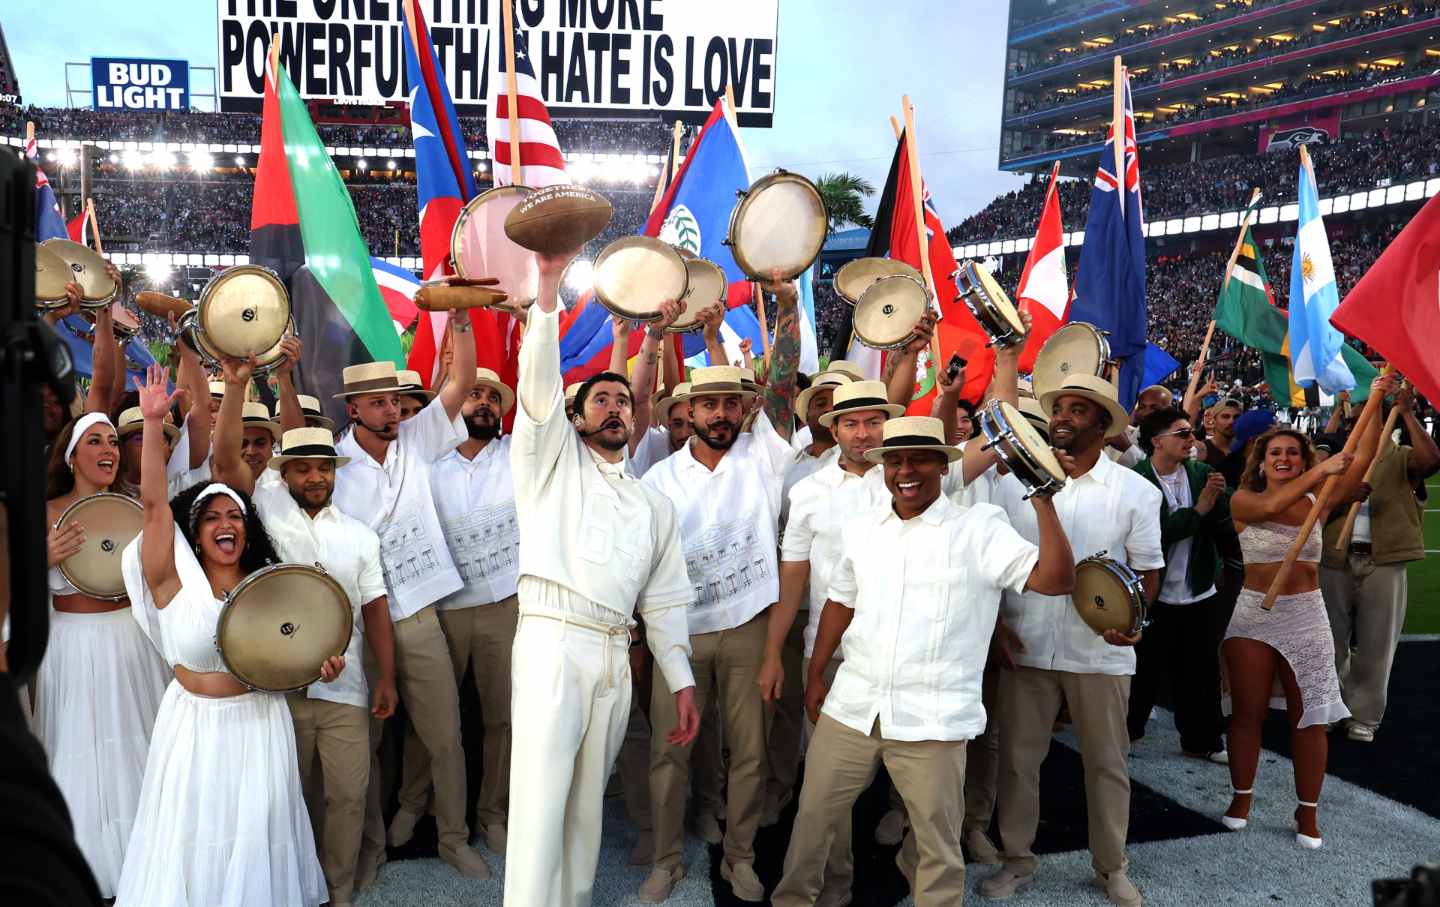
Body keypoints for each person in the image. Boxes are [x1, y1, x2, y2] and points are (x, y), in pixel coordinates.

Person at [771, 415, 1075, 906]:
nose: (905, 470)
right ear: (884, 468)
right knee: (812, 823)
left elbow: (1056, 580)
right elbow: (841, 602)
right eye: (895, 460)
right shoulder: (864, 528)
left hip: (933, 718)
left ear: (942, 465)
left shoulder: (979, 528)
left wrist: (1043, 501)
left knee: (937, 848)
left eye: (919, 459)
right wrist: (814, 672)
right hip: (853, 704)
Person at [504, 246, 699, 907]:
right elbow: (536, 393)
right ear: (576, 416)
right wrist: (549, 288)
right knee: (540, 804)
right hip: (552, 644)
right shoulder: (546, 466)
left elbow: (668, 600)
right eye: (600, 399)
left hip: (616, 654)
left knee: (588, 805)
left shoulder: (653, 504)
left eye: (623, 399)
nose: (616, 406)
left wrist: (680, 678)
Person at [114, 363, 334, 906]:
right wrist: (152, 421)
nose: (224, 525)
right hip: (192, 731)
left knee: (254, 839)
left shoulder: (268, 586)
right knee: (195, 839)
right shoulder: (171, 581)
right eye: (209, 518)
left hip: (259, 726)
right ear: (195, 532)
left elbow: (302, 648)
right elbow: (153, 505)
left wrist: (325, 665)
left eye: (232, 515)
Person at [212, 361, 401, 907]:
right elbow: (227, 460)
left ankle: (337, 890)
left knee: (347, 795)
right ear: (284, 474)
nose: (316, 477)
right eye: (303, 469)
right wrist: (246, 379)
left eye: (324, 468)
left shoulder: (361, 538)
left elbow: (376, 611)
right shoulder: (264, 511)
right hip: (276, 689)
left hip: (346, 690)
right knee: (286, 797)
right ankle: (294, 887)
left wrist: (384, 677)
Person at [639, 271, 801, 904]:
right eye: (709, 405)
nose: (722, 413)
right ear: (689, 414)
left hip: (747, 632)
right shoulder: (658, 482)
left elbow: (783, 385)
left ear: (744, 410)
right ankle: (665, 859)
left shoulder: (762, 459)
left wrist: (786, 308)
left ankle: (740, 857)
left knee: (750, 751)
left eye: (733, 403)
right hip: (679, 635)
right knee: (671, 752)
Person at [983, 374, 1162, 907]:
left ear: (1103, 426)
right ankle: (1017, 860)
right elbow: (988, 564)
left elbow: (1148, 573)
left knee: (1107, 764)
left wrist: (1136, 624)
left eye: (1077, 410)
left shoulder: (1137, 492)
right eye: (1058, 408)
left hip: (1100, 652)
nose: (1061, 417)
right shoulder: (1010, 482)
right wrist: (995, 626)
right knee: (1017, 761)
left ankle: (1112, 868)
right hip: (1026, 644)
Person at [331, 315, 489, 884]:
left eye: (395, 402)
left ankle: (453, 839)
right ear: (353, 409)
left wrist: (463, 318)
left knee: (445, 735)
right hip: (357, 623)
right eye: (377, 404)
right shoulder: (331, 466)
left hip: (419, 614)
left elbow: (462, 377)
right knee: (367, 745)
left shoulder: (419, 438)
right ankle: (370, 848)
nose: (391, 411)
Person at [1222, 383, 1390, 849]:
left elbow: (1362, 456)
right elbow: (1272, 506)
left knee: (1310, 716)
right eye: (1274, 452)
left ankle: (1308, 810)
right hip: (1254, 615)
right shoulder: (1243, 501)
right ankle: (1241, 798)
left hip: (1307, 615)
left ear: (1302, 459)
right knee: (1246, 713)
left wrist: (1376, 402)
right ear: (1260, 461)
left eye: (1293, 453)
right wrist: (1320, 474)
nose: (1283, 459)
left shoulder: (1320, 501)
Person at [759, 378, 903, 903]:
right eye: (851, 422)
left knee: (914, 777)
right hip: (830, 654)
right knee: (827, 786)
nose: (863, 433)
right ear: (833, 428)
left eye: (873, 421)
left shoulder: (915, 477)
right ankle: (835, 884)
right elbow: (791, 576)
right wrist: (775, 653)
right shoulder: (809, 492)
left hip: (905, 656)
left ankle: (913, 856)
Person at [37, 413, 171, 898]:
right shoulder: (44, 512)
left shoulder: (135, 506)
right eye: (94, 440)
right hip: (73, 646)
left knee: (138, 747)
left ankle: (145, 865)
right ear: (72, 457)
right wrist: (41, 558)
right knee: (82, 752)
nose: (107, 448)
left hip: (131, 641)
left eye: (112, 439)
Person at [391, 367, 521, 857]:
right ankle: (412, 802)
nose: (484, 403)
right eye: (473, 394)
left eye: (492, 397)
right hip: (441, 606)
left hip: (503, 605)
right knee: (432, 719)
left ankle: (492, 814)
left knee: (501, 720)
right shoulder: (423, 459)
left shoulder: (516, 458)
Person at [1320, 381, 1440, 742]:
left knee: (1377, 641)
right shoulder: (1337, 459)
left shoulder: (1401, 456)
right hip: (1334, 556)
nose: (1364, 421)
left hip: (1383, 559)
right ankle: (1330, 707)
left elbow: (1431, 460)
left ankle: (1365, 715)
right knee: (1330, 639)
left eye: (1372, 415)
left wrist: (1406, 411)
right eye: (1360, 415)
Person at [1128, 407, 1236, 762]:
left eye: (1191, 432)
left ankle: (1201, 739)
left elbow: (1224, 523)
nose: (1192, 439)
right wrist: (1200, 508)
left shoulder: (1202, 472)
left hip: (1197, 590)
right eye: (1183, 433)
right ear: (1158, 441)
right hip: (1152, 593)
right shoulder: (1136, 480)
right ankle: (1127, 732)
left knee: (1201, 670)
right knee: (1142, 670)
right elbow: (1154, 536)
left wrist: (1219, 501)